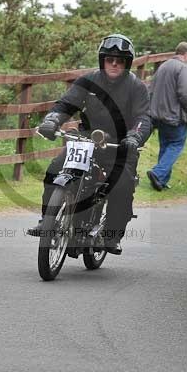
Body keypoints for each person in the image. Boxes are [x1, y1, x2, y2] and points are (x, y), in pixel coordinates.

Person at [31, 33, 152, 255]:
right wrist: (51, 121)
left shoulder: (137, 88)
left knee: (122, 185)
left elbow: (144, 118)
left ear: (127, 63)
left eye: (120, 60)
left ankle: (112, 235)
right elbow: (66, 104)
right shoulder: (88, 81)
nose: (114, 63)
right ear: (102, 60)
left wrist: (134, 138)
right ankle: (47, 221)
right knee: (54, 169)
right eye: (109, 59)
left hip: (120, 145)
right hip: (87, 140)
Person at [146, 41, 187, 191]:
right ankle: (158, 173)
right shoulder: (183, 68)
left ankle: (161, 182)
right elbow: (185, 93)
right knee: (176, 145)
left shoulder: (163, 66)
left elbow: (151, 89)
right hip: (174, 115)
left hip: (158, 115)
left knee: (165, 146)